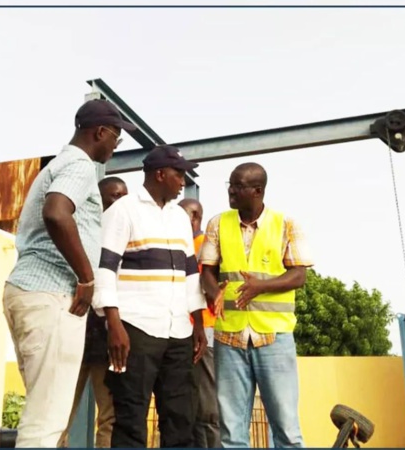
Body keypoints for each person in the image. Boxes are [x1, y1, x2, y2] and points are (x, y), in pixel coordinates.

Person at [2, 99, 134, 448]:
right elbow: (57, 213)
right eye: (116, 139)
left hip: (28, 289)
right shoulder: (80, 166)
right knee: (47, 420)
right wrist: (87, 279)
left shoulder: (56, 165)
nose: (115, 146)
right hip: (53, 295)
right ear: (100, 132)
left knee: (43, 410)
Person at [93, 145, 208, 448]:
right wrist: (114, 326)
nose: (183, 181)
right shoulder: (123, 210)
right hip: (135, 329)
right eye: (178, 174)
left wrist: (197, 323)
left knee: (181, 417)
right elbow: (105, 269)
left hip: (178, 332)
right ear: (160, 174)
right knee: (130, 418)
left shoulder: (179, 217)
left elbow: (190, 273)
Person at [199, 162, 313, 448]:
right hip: (229, 337)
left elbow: (299, 275)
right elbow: (207, 272)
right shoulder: (217, 223)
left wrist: (260, 286)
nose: (231, 191)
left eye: (238, 186)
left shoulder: (286, 225)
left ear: (258, 190)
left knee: (286, 428)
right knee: (231, 431)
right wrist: (214, 294)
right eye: (230, 185)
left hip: (274, 338)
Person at [58, 176, 128, 448]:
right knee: (58, 413)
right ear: (99, 200)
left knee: (110, 417)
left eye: (124, 195)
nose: (120, 201)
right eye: (114, 195)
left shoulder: (128, 237)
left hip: (107, 342)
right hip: (72, 334)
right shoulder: (80, 233)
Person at [178, 198, 221, 448]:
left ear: (195, 217)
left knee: (207, 406)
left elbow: (206, 287)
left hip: (203, 328)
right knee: (188, 404)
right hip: (180, 329)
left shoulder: (203, 245)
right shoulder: (180, 245)